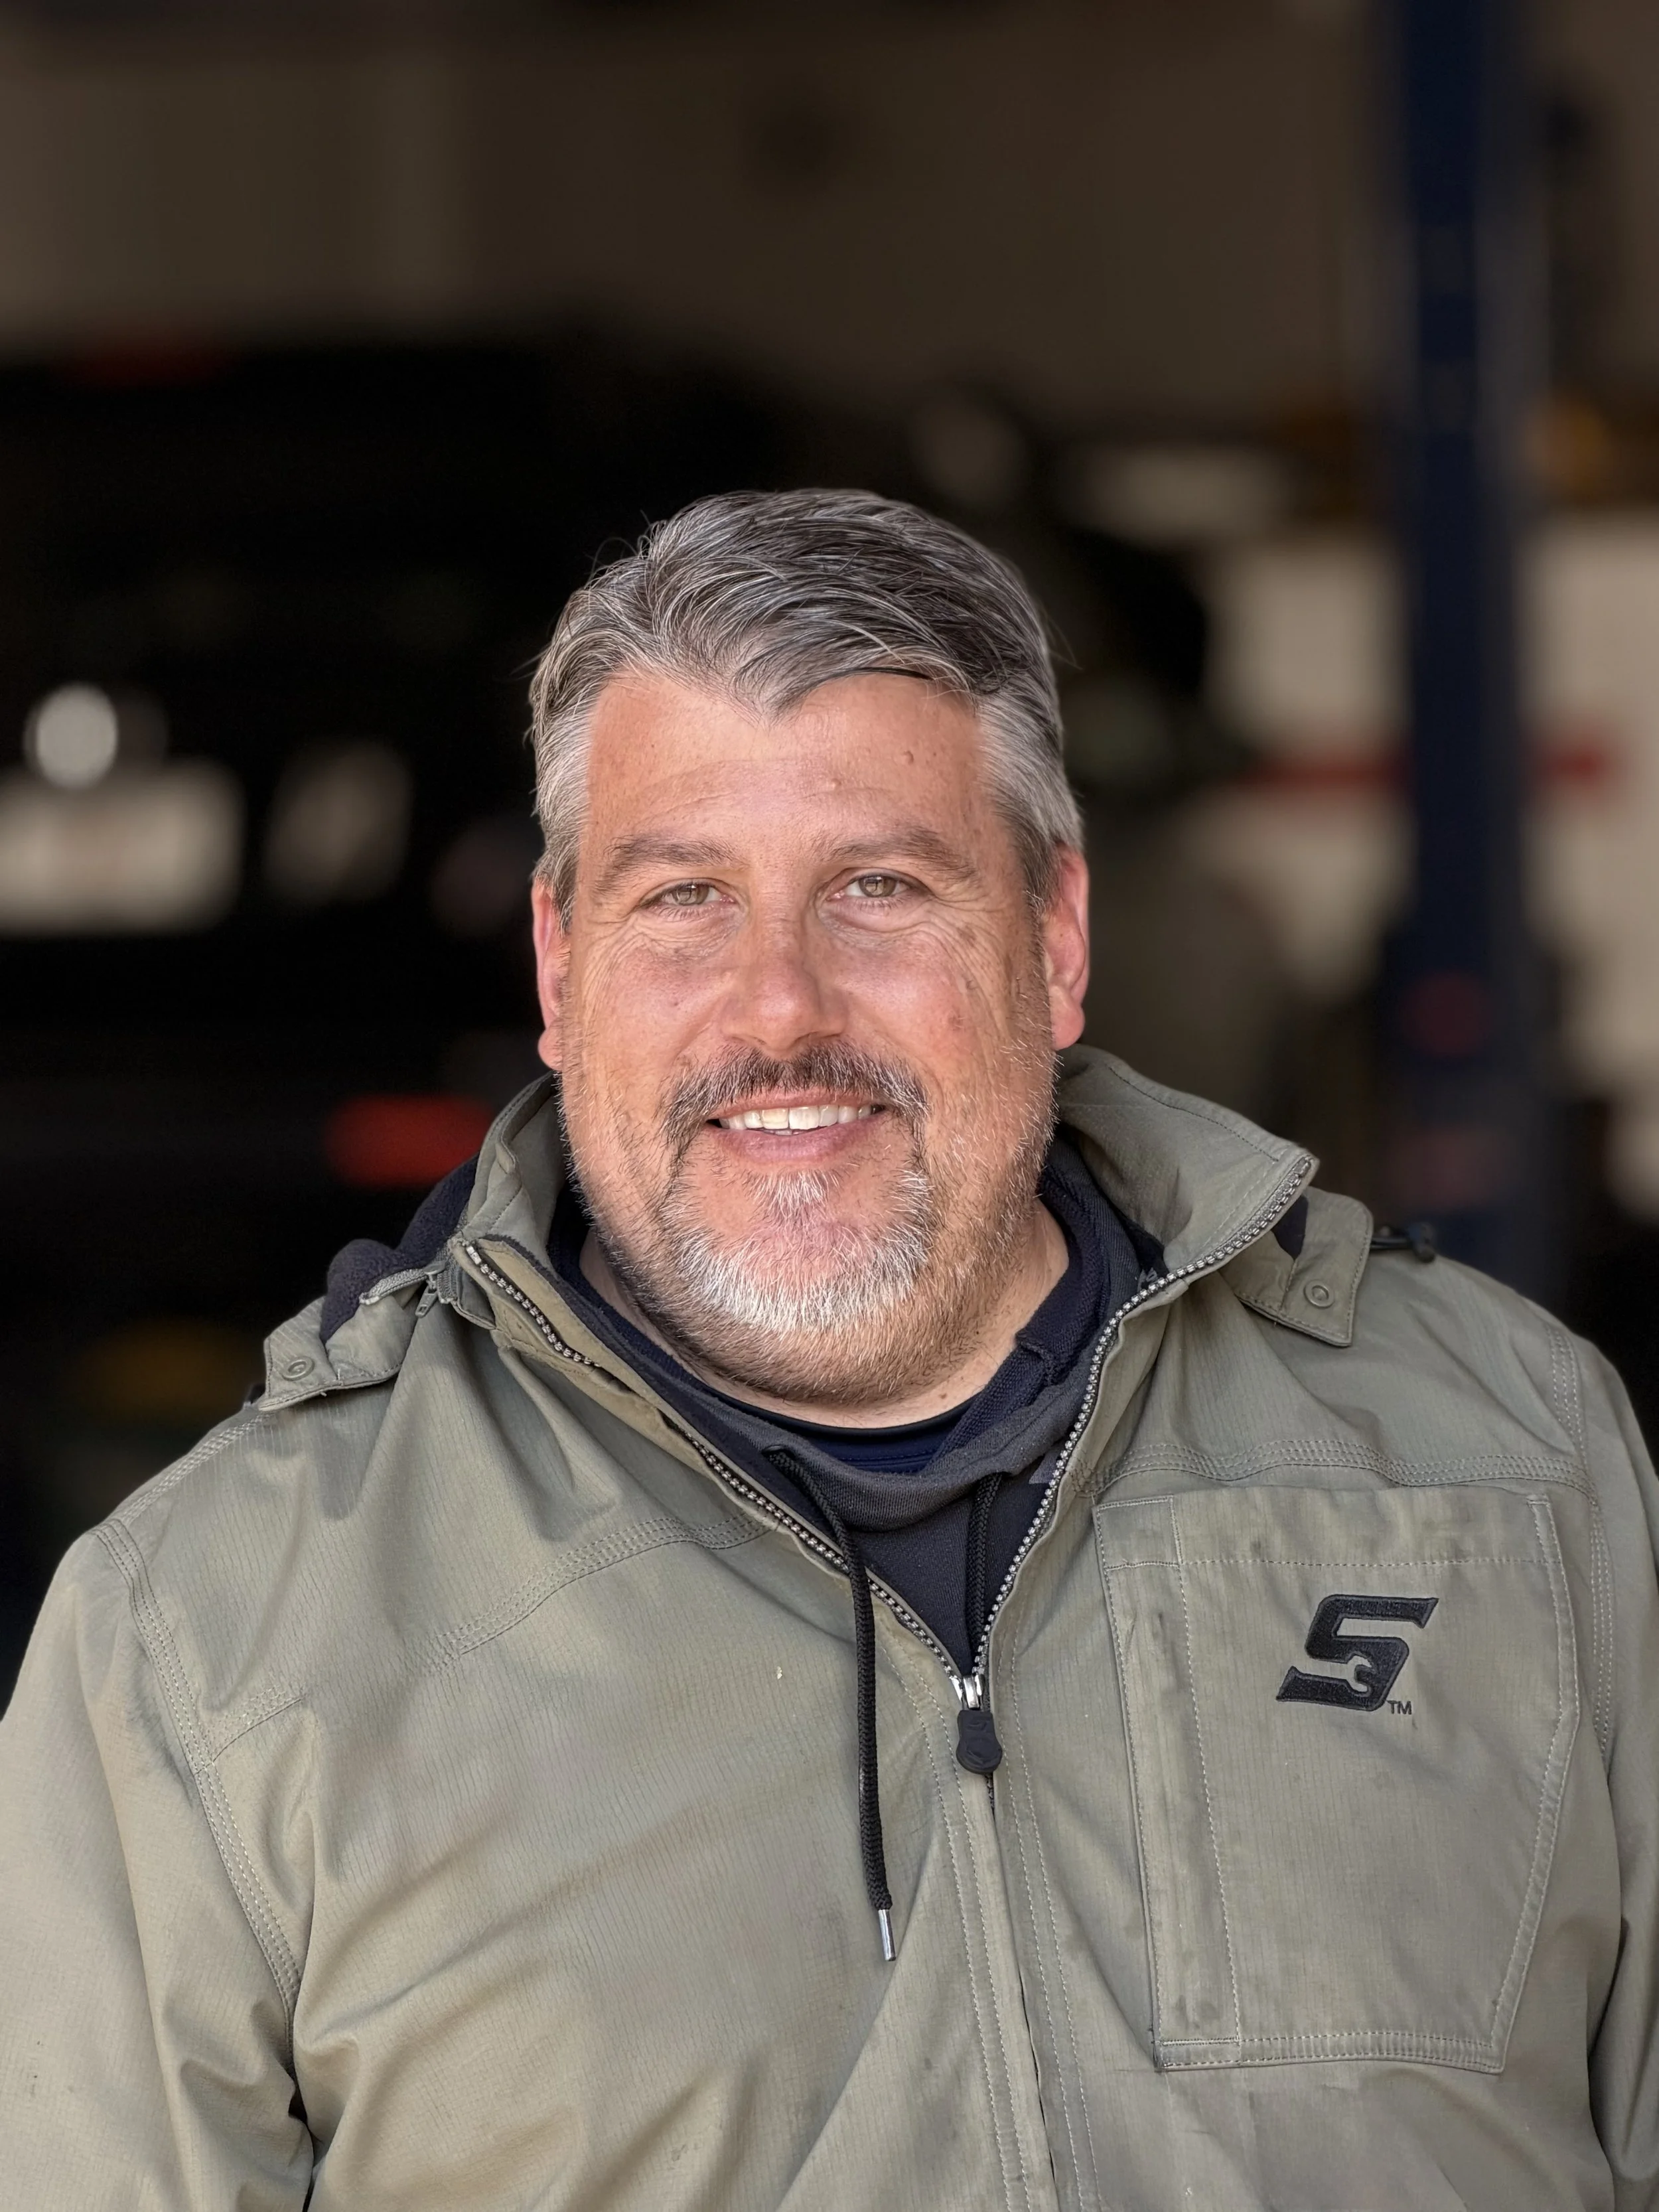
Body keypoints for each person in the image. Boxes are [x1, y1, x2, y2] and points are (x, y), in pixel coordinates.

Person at [1, 490, 1656, 2212]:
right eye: (683, 897)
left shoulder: (1503, 1450)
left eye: (878, 886)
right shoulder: (207, 1637)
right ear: (560, 968)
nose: (779, 1004)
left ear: (1054, 936)